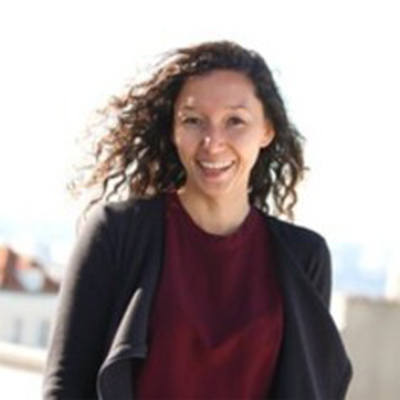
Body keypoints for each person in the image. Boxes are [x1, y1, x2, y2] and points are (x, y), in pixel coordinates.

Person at [43, 40, 352, 399]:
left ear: (267, 130)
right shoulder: (116, 233)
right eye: (193, 120)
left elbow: (308, 386)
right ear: (173, 129)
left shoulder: (304, 256)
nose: (212, 141)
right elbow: (65, 387)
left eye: (235, 121)